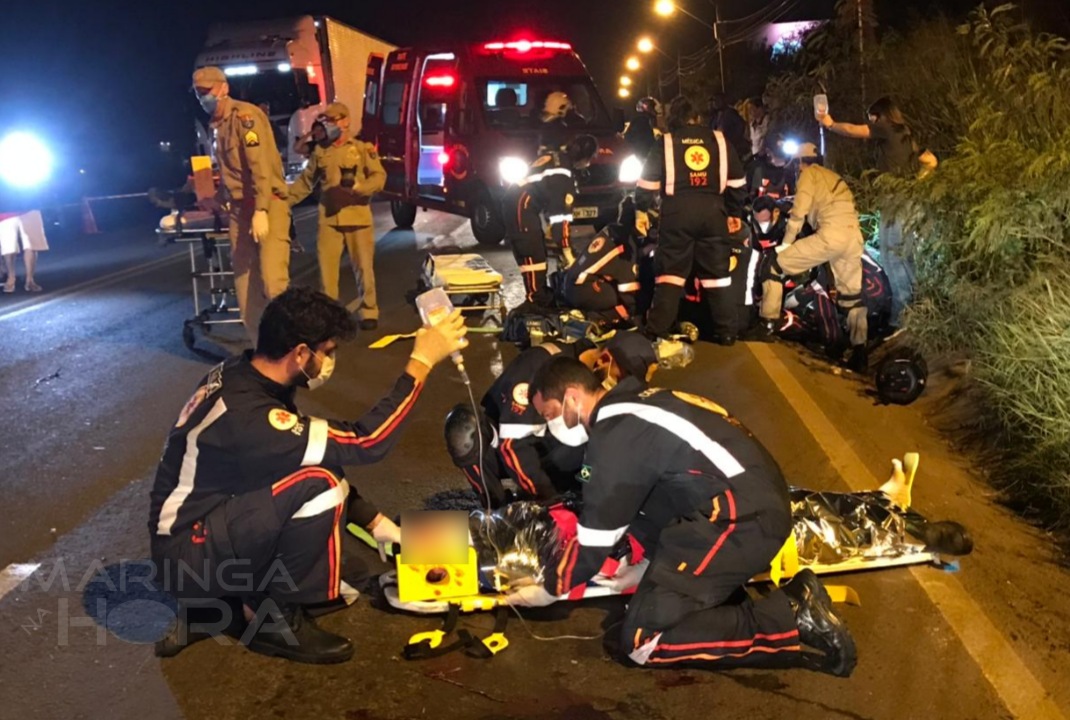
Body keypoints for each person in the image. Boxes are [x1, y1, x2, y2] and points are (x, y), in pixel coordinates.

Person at [149, 286, 468, 664]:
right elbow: (367, 441)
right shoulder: (251, 416)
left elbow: (301, 455)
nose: (329, 362)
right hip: (188, 551)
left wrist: (376, 522)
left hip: (194, 536)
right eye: (327, 352)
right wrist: (422, 360)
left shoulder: (244, 374)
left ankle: (214, 606)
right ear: (300, 353)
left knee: (312, 463)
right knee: (323, 487)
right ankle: (272, 620)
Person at [509, 357, 857, 678]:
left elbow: (594, 540)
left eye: (549, 414)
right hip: (751, 504)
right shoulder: (641, 402)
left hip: (740, 521)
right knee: (658, 582)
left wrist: (550, 587)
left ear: (571, 398)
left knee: (643, 642)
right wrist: (647, 564)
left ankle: (792, 616)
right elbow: (651, 495)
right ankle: (724, 595)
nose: (548, 426)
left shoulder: (615, 437)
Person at [444, 333, 658, 508]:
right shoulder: (540, 363)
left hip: (553, 448)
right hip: (507, 445)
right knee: (463, 429)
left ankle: (573, 494)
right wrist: (545, 498)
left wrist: (589, 486)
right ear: (604, 361)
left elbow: (598, 451)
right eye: (621, 379)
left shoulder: (594, 378)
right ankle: (497, 509)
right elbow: (513, 447)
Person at [636, 96, 748, 346]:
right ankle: (727, 332)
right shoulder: (719, 140)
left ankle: (657, 330)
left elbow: (646, 184)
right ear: (699, 118)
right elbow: (738, 182)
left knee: (671, 274)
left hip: (677, 213)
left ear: (673, 118)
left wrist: (643, 208)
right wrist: (733, 213)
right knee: (717, 275)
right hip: (713, 212)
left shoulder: (665, 142)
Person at [193, 66, 292, 345]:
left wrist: (261, 209)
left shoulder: (245, 117)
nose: (203, 98)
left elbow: (258, 166)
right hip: (239, 211)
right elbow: (230, 175)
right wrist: (217, 200)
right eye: (198, 94)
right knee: (245, 286)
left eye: (207, 92)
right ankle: (262, 349)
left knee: (274, 283)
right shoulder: (218, 125)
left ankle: (293, 344)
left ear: (223, 88)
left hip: (267, 205)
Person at [818, 96, 937, 327]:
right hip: (909, 199)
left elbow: (854, 131)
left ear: (880, 115)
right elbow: (931, 160)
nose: (870, 121)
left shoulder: (887, 128)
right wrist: (917, 182)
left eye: (871, 117)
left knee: (892, 256)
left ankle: (900, 318)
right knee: (906, 257)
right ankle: (917, 310)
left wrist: (830, 124)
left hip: (895, 202)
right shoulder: (906, 134)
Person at [756, 143, 869, 369]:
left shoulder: (808, 175)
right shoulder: (834, 177)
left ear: (800, 163)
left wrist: (786, 245)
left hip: (830, 236)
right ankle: (860, 351)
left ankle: (767, 323)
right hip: (853, 237)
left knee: (773, 266)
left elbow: (798, 214)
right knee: (852, 297)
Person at [287, 102, 387, 330]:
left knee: (363, 268)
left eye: (332, 121)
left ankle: (369, 310)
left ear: (345, 121)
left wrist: (361, 187)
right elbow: (305, 182)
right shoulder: (321, 151)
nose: (328, 125)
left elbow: (379, 177)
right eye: (326, 121)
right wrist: (283, 201)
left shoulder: (362, 149)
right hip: (329, 218)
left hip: (357, 216)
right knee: (327, 271)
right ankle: (330, 315)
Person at [504, 135, 599, 307]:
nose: (589, 164)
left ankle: (539, 296)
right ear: (584, 157)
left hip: (517, 202)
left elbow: (547, 196)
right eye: (590, 159)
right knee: (533, 253)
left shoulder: (558, 158)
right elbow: (560, 216)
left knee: (534, 249)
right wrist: (566, 249)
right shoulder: (562, 175)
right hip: (521, 205)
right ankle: (536, 301)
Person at [558, 198, 643, 329]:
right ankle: (595, 318)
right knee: (619, 299)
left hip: (573, 282)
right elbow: (628, 286)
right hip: (582, 288)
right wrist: (635, 312)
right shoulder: (626, 243)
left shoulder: (613, 231)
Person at [0, 210, 47, 292]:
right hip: (5, 211)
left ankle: (30, 280)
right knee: (8, 248)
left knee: (32, 244)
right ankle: (11, 278)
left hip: (29, 209)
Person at [708, 94, 750, 163]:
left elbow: (741, 126)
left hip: (734, 148)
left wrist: (733, 138)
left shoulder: (730, 113)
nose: (715, 103)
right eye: (714, 101)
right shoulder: (714, 117)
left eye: (717, 100)